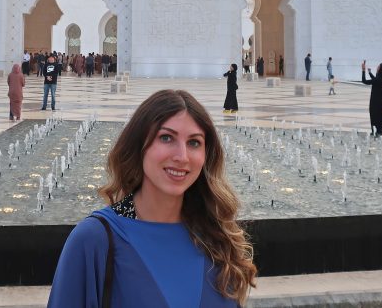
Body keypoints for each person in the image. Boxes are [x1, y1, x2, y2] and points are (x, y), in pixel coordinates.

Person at [47, 89, 256, 307]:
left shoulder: (216, 236)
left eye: (194, 142)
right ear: (139, 146)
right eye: (166, 138)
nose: (182, 157)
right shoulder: (95, 239)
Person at [361, 61, 382, 137]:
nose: (377, 67)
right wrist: (370, 73)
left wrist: (363, 70)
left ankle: (376, 132)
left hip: (376, 102)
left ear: (381, 69)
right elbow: (375, 80)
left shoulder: (378, 79)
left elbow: (364, 81)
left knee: (375, 116)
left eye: (378, 67)